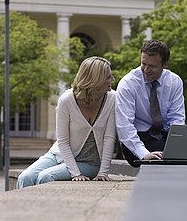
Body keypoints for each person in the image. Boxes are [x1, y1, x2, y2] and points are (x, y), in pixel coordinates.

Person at [116, 39, 187, 170]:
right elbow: (124, 126)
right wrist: (144, 154)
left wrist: (178, 145)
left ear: (165, 65)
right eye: (143, 64)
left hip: (163, 138)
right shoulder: (128, 84)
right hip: (138, 141)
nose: (146, 70)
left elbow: (177, 119)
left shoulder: (174, 81)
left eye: (152, 66)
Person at [17, 56, 117, 187]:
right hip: (58, 155)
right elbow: (63, 142)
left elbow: (109, 138)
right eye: (108, 77)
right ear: (96, 79)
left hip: (90, 163)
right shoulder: (66, 100)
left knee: (46, 177)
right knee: (25, 177)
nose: (112, 80)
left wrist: (103, 173)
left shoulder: (112, 99)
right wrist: (76, 174)